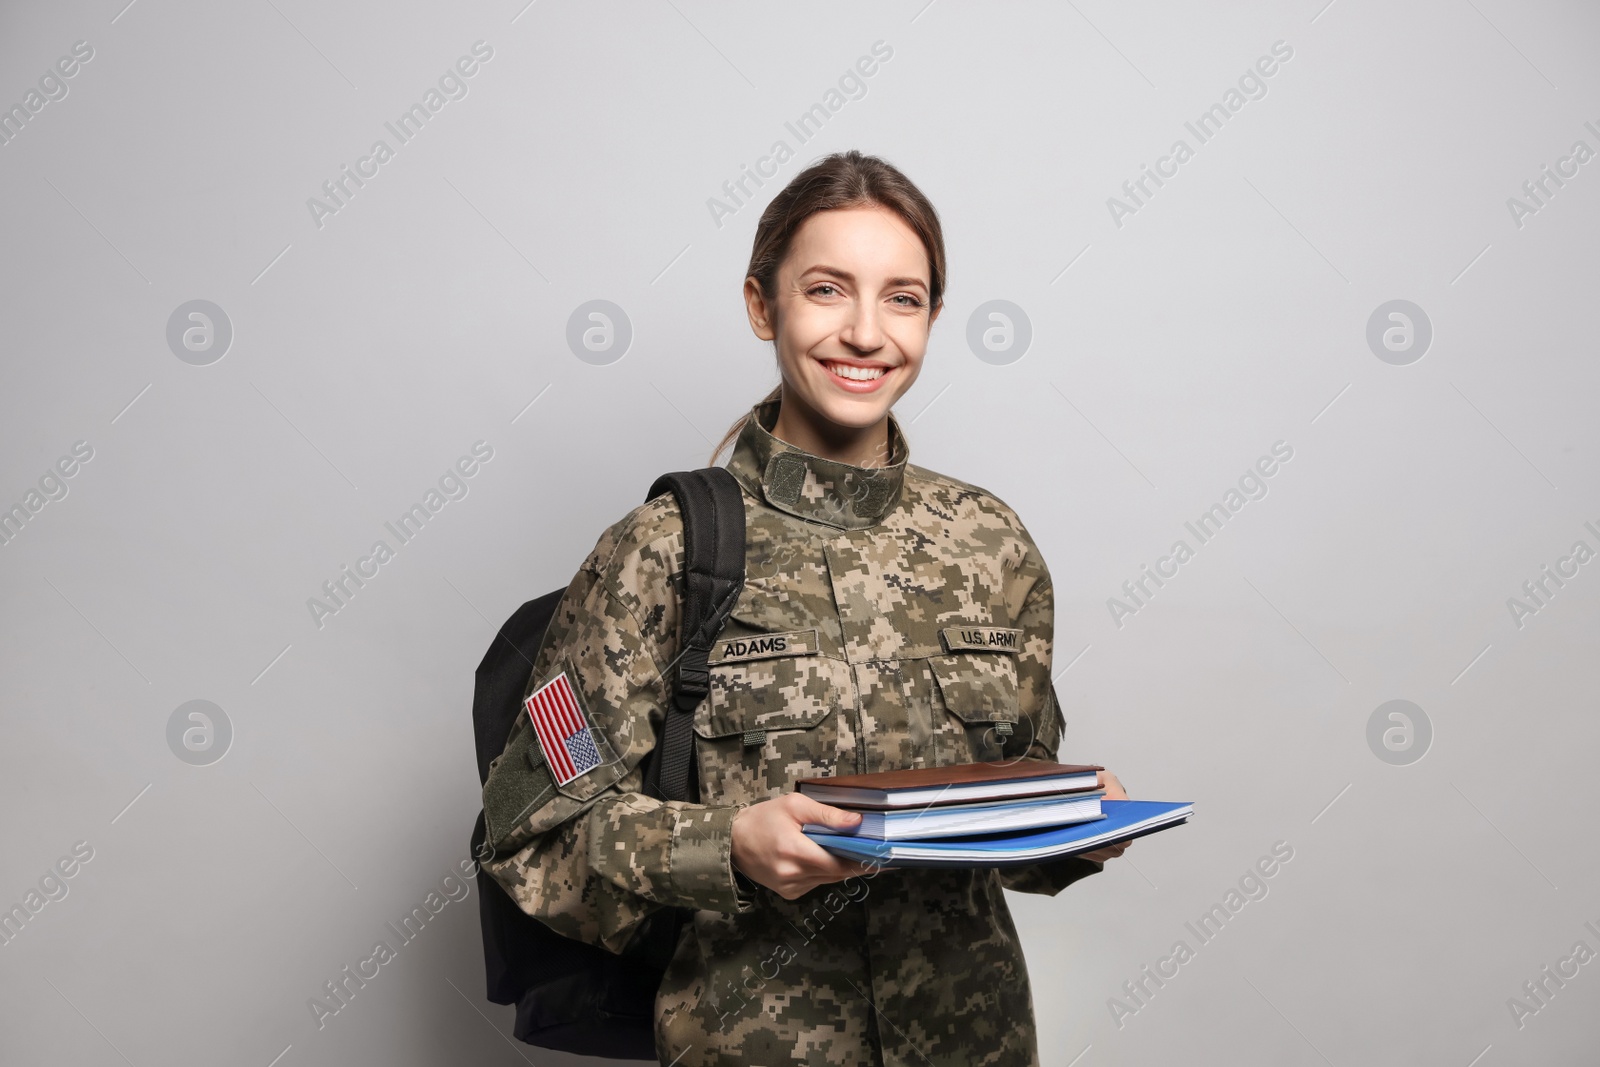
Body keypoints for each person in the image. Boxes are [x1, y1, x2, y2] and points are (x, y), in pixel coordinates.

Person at [481, 149, 1130, 1066]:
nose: (866, 332)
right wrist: (726, 845)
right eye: (828, 289)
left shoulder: (992, 543)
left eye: (902, 298)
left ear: (933, 319)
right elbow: (527, 842)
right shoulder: (662, 551)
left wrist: (1071, 824)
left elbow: (1000, 825)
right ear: (762, 305)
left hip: (976, 1042)